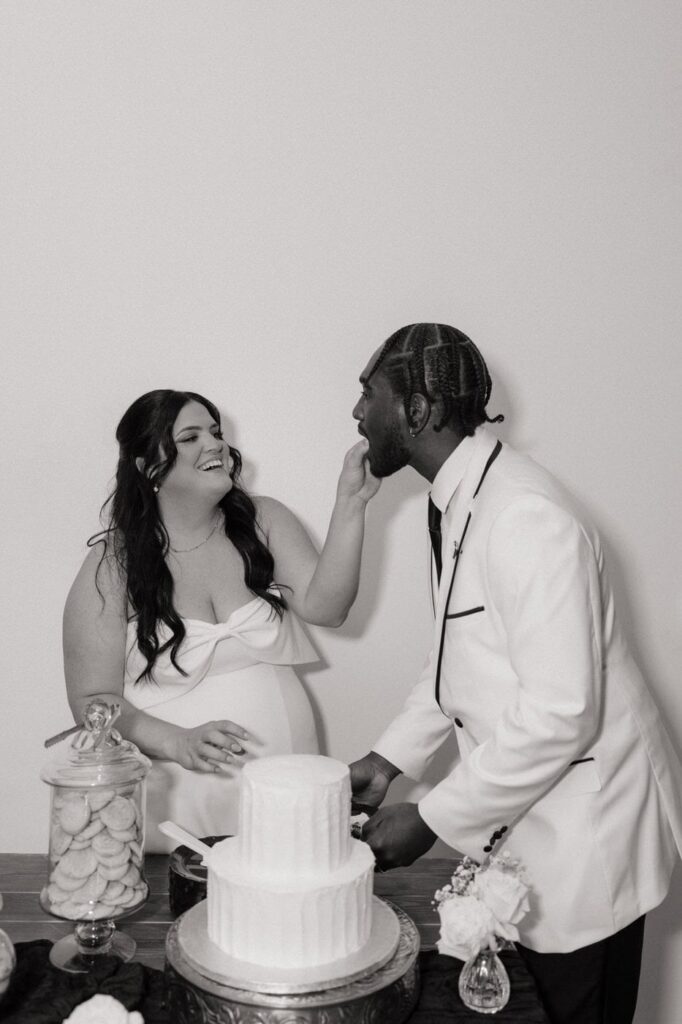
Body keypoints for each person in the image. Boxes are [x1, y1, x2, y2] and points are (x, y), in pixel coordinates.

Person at [349, 323, 682, 1024]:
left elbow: (561, 711)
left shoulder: (525, 516)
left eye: (367, 393)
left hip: (586, 843)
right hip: (527, 828)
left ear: (418, 412)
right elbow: (458, 655)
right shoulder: (461, 498)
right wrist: (388, 760)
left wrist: (432, 817)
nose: (356, 414)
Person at [64, 389, 378, 852]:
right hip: (179, 800)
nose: (213, 444)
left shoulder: (263, 520)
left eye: (215, 432)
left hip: (286, 782)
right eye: (190, 437)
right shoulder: (113, 563)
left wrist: (351, 502)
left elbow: (328, 608)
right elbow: (92, 703)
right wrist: (178, 743)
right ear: (148, 466)